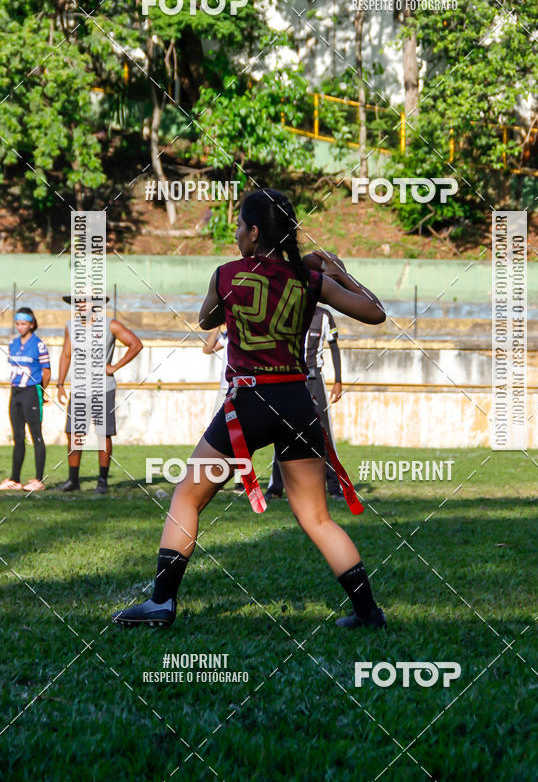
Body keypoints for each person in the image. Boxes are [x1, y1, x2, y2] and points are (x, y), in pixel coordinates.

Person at [112, 188, 387, 630]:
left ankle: (161, 602)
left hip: (250, 401)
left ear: (255, 232)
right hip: (298, 400)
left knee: (187, 496)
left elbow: (206, 320)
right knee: (317, 517)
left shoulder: (226, 274)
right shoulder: (310, 279)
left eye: (240, 225)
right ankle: (368, 612)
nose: (237, 233)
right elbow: (375, 313)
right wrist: (340, 273)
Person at [56, 297, 143, 494]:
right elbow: (66, 355)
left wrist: (114, 367)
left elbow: (136, 344)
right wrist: (60, 384)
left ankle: (102, 481)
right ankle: (73, 480)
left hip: (103, 388)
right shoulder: (71, 326)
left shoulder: (110, 325)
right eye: (78, 301)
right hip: (79, 389)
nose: (81, 304)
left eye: (86, 301)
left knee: (103, 434)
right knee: (74, 433)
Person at [266, 304, 344, 500]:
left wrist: (338, 381)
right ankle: (275, 487)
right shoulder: (286, 312)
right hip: (291, 378)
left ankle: (335, 487)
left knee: (324, 432)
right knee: (282, 430)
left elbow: (334, 347)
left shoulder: (324, 316)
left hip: (314, 378)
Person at [0, 308, 50, 492]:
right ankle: (15, 479)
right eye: (18, 324)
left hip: (31, 391)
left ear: (31, 324)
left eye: (24, 324)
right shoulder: (13, 344)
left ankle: (38, 480)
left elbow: (46, 371)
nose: (20, 327)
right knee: (18, 436)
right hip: (16, 392)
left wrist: (41, 391)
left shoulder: (38, 345)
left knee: (36, 435)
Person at [202, 324, 243, 492]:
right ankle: (218, 478)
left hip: (239, 388)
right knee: (217, 433)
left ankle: (241, 480)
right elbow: (207, 349)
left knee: (240, 435)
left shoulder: (244, 331)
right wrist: (216, 329)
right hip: (223, 390)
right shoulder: (226, 335)